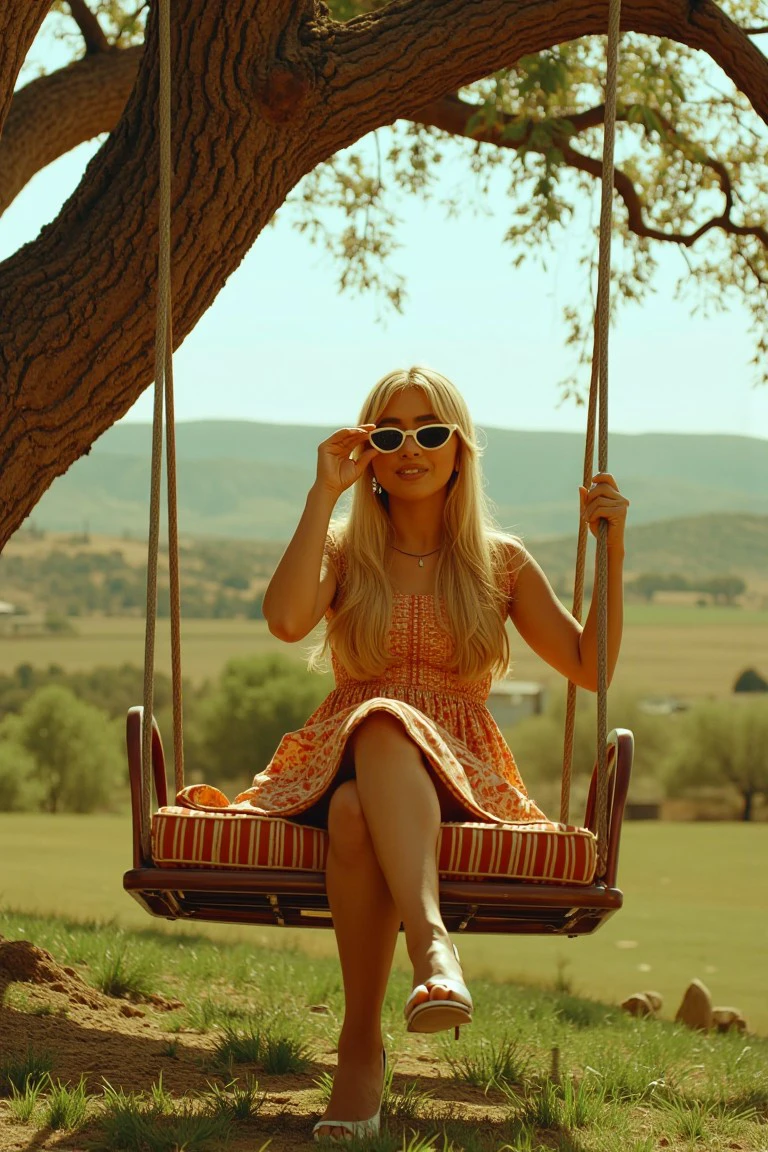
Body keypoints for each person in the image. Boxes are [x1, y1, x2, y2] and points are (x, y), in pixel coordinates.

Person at [255, 366, 628, 1142]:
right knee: (371, 751)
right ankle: (422, 968)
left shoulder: (501, 564)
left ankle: (366, 1044)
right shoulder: (344, 550)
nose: (409, 448)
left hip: (460, 768)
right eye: (389, 435)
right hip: (344, 753)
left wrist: (612, 552)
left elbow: (590, 667)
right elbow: (287, 621)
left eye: (430, 432)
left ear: (459, 449)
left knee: (368, 793)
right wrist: (324, 492)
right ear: (368, 451)